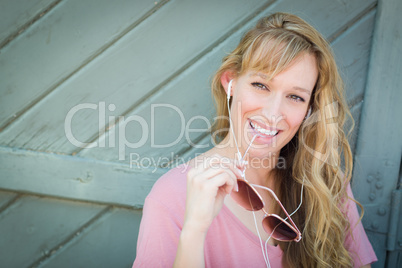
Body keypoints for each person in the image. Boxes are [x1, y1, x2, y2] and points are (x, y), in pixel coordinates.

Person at [133, 12, 377, 267]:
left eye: (295, 97)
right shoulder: (172, 196)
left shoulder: (326, 184)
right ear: (230, 83)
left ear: (309, 110)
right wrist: (194, 230)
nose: (273, 113)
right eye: (261, 85)